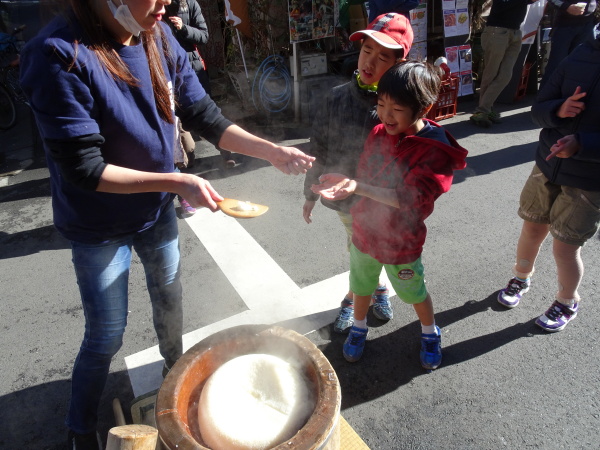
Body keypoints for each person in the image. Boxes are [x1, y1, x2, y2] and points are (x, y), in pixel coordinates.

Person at [18, 1, 314, 448]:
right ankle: (79, 427)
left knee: (170, 305)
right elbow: (85, 168)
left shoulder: (154, 32)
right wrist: (177, 180)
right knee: (105, 333)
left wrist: (270, 150)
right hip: (97, 223)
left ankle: (175, 382)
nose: (166, 3)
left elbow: (204, 116)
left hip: (156, 211)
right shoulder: (58, 53)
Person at [311, 61, 468, 368]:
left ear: (423, 107)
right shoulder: (380, 132)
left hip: (401, 241)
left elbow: (410, 198)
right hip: (365, 231)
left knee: (414, 292)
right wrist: (344, 179)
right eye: (381, 104)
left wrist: (357, 186)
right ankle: (359, 328)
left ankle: (429, 331)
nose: (385, 115)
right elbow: (365, 173)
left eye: (396, 108)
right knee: (361, 285)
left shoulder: (433, 149)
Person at [302, 13, 413, 334]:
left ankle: (362, 294)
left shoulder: (401, 108)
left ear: (398, 65)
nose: (370, 61)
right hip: (345, 200)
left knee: (370, 249)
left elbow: (415, 155)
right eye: (366, 50)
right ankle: (367, 292)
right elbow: (318, 149)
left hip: (382, 199)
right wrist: (310, 193)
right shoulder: (335, 98)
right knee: (358, 248)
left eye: (383, 57)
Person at [497, 23, 600, 332]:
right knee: (532, 226)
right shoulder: (581, 52)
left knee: (565, 247)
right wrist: (559, 109)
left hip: (588, 179)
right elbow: (539, 108)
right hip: (547, 164)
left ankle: (567, 300)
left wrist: (582, 143)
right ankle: (521, 277)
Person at [165, 0, 237, 169]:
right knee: (172, 115)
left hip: (191, 67)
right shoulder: (153, 7)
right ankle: (187, 160)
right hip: (164, 68)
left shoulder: (189, 4)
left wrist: (183, 28)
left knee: (206, 113)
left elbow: (204, 36)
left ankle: (225, 153)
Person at [470, 0, 539, 127]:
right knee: (491, 73)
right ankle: (483, 110)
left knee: (506, 75)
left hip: (515, 32)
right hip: (497, 31)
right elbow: (500, 6)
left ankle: (485, 109)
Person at [539, 0, 597, 88]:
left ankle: (569, 96)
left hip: (588, 25)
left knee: (579, 65)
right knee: (556, 64)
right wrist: (566, 7)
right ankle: (545, 98)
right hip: (565, 25)